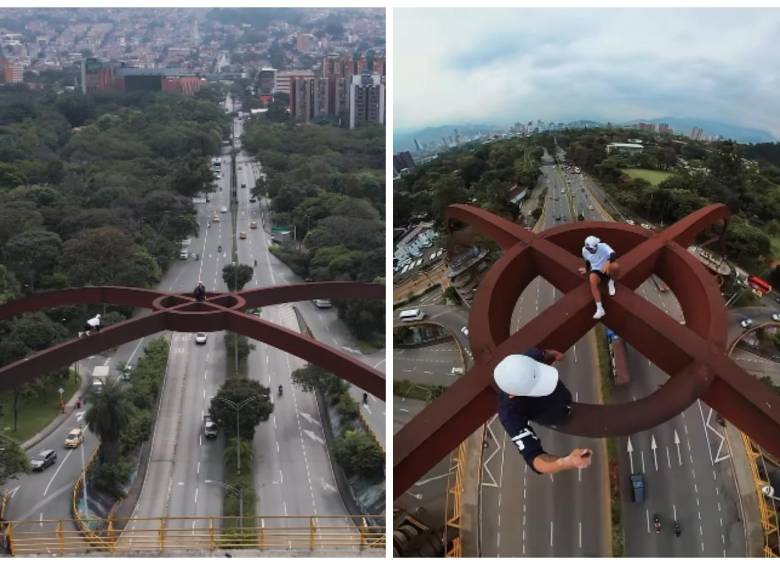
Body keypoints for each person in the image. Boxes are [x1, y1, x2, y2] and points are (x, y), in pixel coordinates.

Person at [494, 347, 593, 474]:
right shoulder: (509, 414)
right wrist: (566, 462)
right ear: (513, 395)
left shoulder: (526, 360)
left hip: (563, 396)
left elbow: (542, 353)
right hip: (556, 417)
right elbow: (535, 458)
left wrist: (552, 354)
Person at [578, 235, 620, 320]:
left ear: (596, 246)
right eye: (589, 249)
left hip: (607, 268)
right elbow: (587, 261)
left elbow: (613, 254)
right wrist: (586, 269)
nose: (590, 251)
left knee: (616, 266)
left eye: (592, 249)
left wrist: (608, 261)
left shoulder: (603, 246)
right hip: (596, 269)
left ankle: (611, 281)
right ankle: (600, 308)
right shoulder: (584, 250)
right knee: (592, 280)